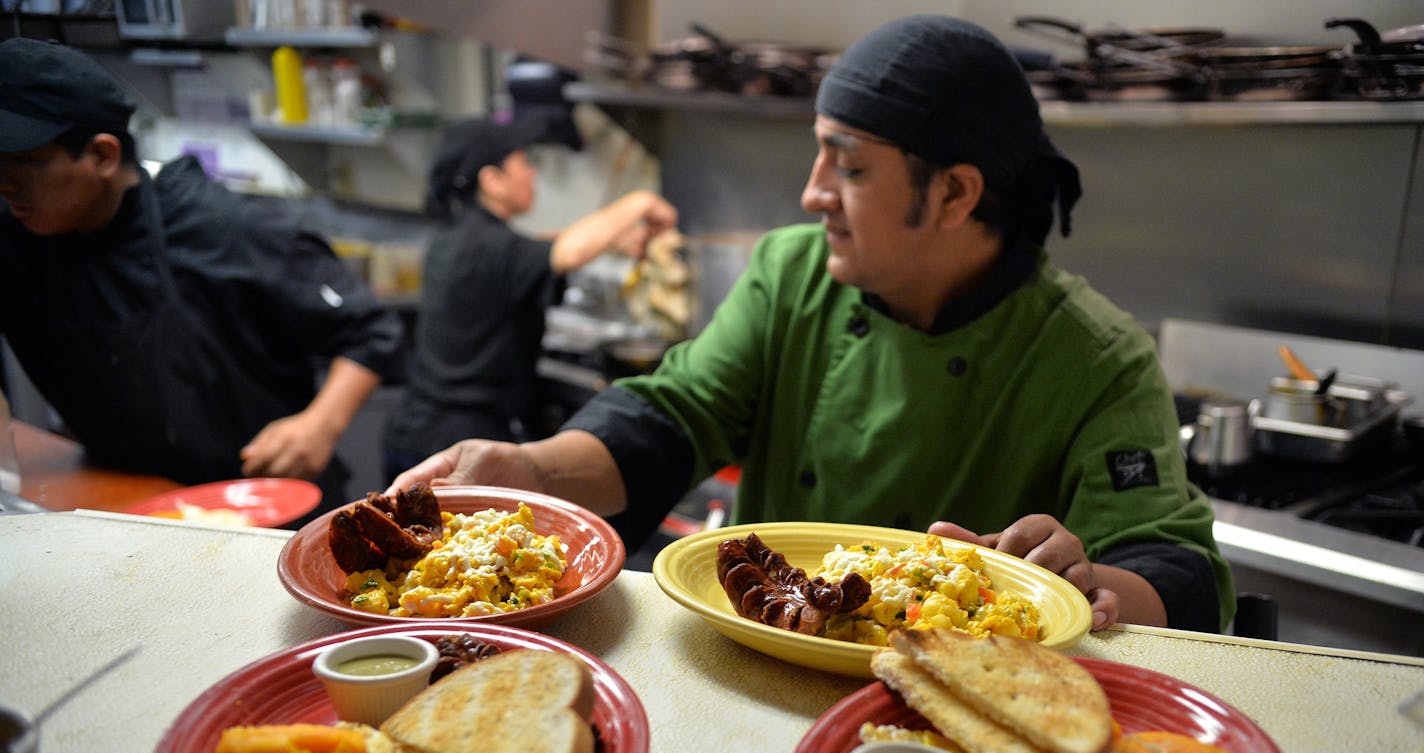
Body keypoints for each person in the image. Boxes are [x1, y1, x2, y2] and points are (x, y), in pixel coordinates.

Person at [391, 15, 1236, 634]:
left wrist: (1093, 584)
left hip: (954, 721)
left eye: (851, 164)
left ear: (954, 193)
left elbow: (1175, 560)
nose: (813, 191)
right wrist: (529, 469)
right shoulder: (791, 272)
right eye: (818, 152)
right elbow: (674, 415)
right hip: (765, 655)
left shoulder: (1097, 358)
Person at [0, 38, 402, 512]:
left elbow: (373, 331)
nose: (7, 190)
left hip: (263, 504)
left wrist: (319, 425)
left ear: (103, 156)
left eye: (19, 171)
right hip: (128, 502)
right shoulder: (14, 238)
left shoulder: (226, 228)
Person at [382, 116, 679, 479]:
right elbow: (565, 252)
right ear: (492, 180)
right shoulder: (494, 247)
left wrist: (613, 240)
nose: (532, 173)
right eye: (524, 162)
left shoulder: (456, 237)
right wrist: (640, 201)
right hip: (458, 450)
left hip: (411, 433)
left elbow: (538, 247)